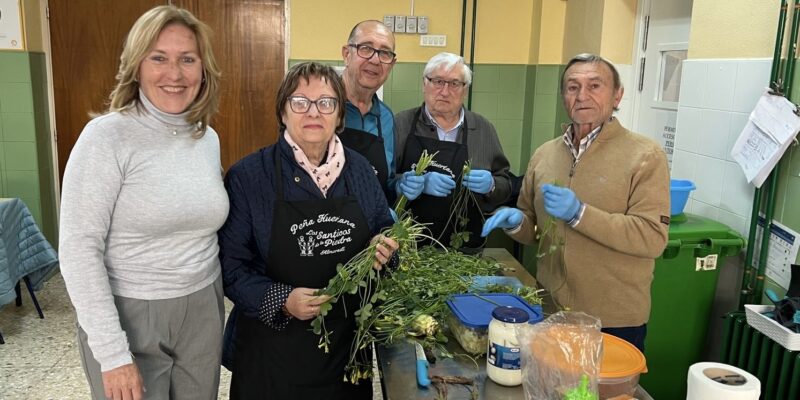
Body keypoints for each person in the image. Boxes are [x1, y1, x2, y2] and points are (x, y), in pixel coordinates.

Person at [59, 5, 227, 400]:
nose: (175, 74)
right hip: (130, 312)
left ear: (203, 69)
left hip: (202, 307)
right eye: (159, 58)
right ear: (136, 66)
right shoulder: (106, 138)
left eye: (188, 59)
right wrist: (113, 354)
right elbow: (78, 249)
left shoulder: (206, 138)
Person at [219, 62, 399, 399]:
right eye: (300, 102)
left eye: (326, 102)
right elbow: (231, 269)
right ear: (283, 112)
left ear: (339, 115)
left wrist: (386, 248)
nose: (313, 112)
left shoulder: (360, 171)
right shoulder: (249, 176)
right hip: (270, 356)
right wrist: (282, 299)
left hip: (345, 354)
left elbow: (384, 229)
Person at [481, 53, 670, 352]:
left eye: (595, 85)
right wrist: (517, 223)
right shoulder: (544, 154)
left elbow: (651, 238)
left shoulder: (645, 156)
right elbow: (533, 228)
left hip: (613, 320)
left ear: (617, 95)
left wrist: (580, 214)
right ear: (563, 95)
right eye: (572, 87)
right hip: (550, 309)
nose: (582, 96)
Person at [394, 52, 512, 251]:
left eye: (454, 83)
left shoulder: (483, 128)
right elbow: (381, 182)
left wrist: (492, 185)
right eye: (437, 81)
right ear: (424, 84)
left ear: (465, 90)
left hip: (466, 249)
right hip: (409, 248)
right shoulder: (401, 124)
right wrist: (401, 184)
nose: (445, 91)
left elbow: (506, 184)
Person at [340, 20, 420, 204]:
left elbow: (386, 181)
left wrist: (400, 185)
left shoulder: (385, 117)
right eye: (366, 48)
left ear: (392, 64)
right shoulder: (320, 106)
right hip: (325, 228)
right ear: (346, 54)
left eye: (384, 53)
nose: (375, 60)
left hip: (374, 230)